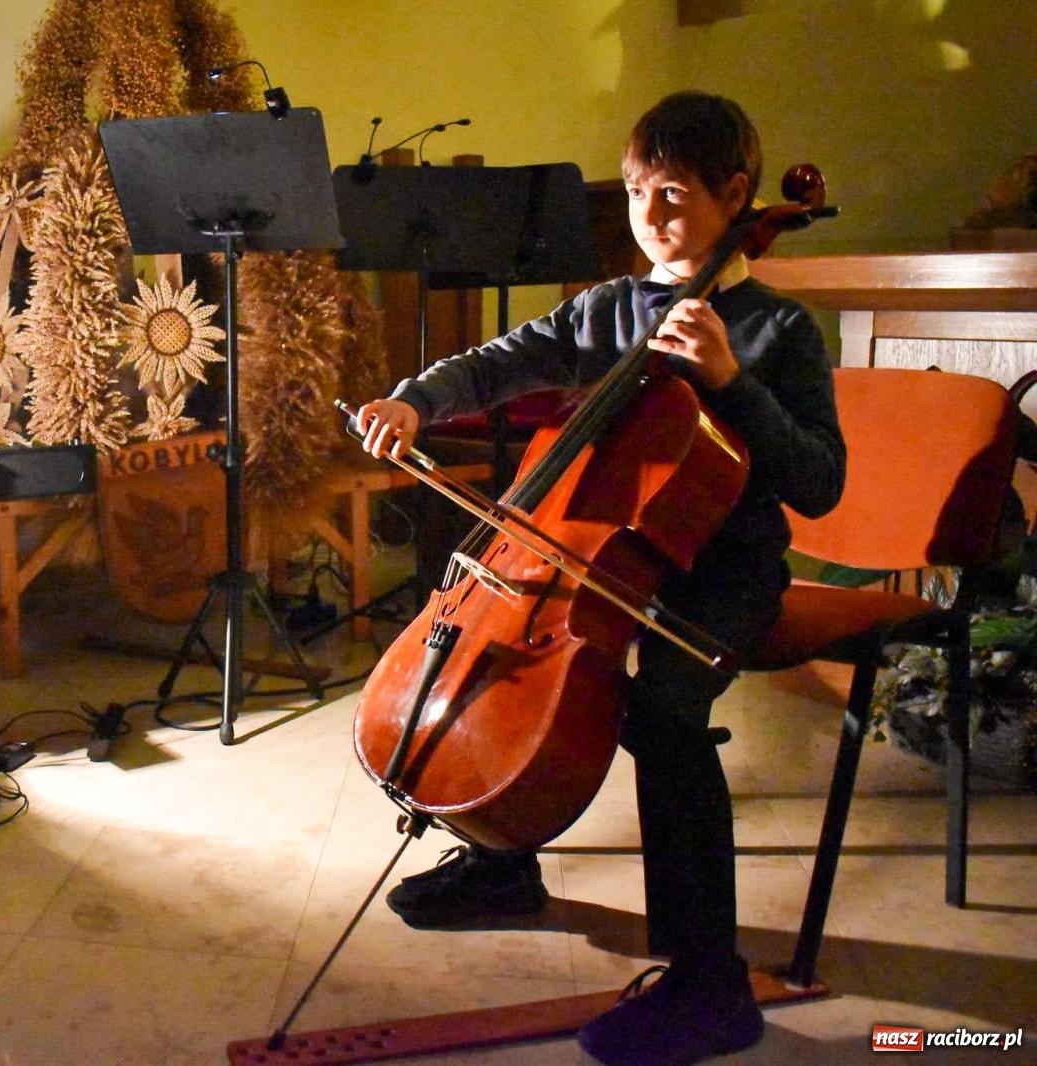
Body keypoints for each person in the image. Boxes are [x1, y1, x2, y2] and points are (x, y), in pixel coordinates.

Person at [354, 92, 846, 1065]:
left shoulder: (775, 330)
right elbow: (503, 360)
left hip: (725, 572)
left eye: (671, 195)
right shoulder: (613, 308)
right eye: (632, 194)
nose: (649, 218)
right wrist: (414, 402)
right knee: (515, 679)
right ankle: (501, 855)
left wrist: (729, 384)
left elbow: (819, 482)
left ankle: (710, 985)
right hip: (600, 556)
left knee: (659, 710)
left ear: (734, 195)